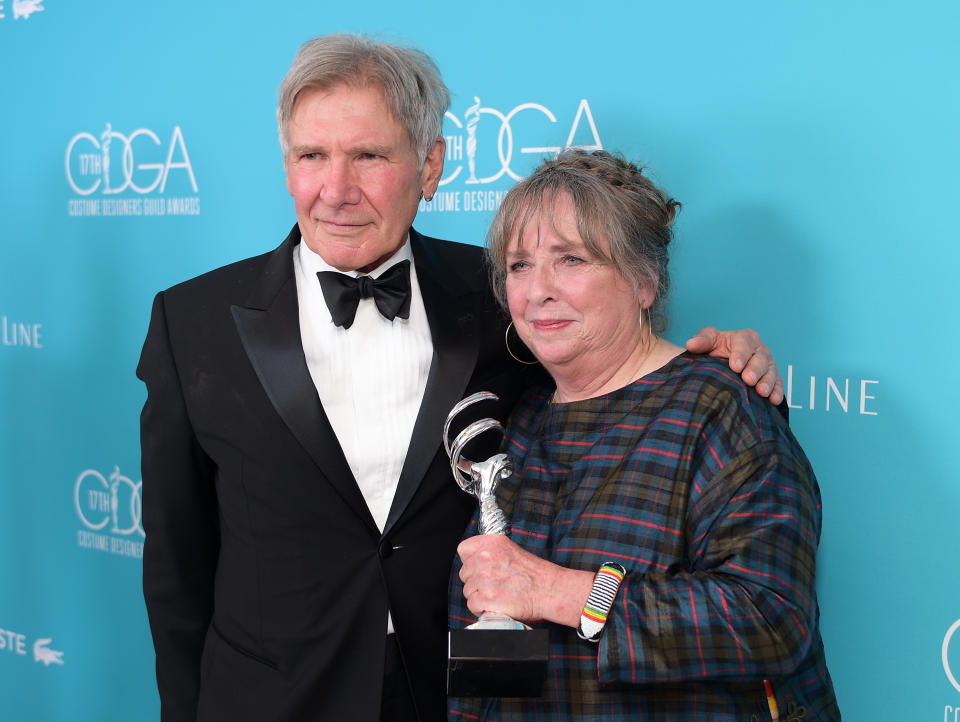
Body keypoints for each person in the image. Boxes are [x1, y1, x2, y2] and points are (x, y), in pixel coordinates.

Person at [137, 35, 784, 722]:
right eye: (311, 157)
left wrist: (732, 363)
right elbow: (176, 570)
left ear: (431, 165)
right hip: (270, 699)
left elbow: (620, 364)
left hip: (453, 696)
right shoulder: (193, 321)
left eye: (369, 156)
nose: (336, 190)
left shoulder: (501, 295)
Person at [450, 149, 840, 721]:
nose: (538, 290)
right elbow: (490, 637)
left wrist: (559, 592)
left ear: (645, 281)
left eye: (572, 259)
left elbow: (772, 615)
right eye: (519, 265)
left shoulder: (719, 408)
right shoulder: (520, 416)